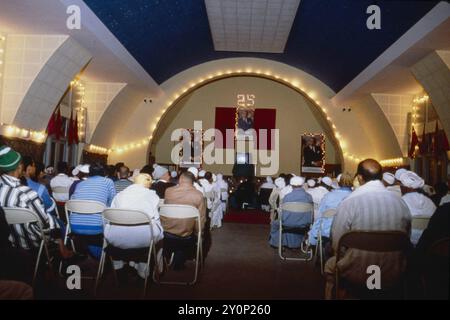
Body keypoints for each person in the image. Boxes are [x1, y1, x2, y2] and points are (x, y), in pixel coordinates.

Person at [324, 159, 411, 299]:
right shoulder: (401, 203)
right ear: (381, 177)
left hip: (356, 271)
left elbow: (337, 243)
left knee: (331, 264)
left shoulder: (349, 202)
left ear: (359, 178)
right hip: (393, 271)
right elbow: (406, 239)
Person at [0, 146, 71, 258]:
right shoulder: (27, 194)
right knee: (53, 222)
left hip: (7, 241)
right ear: (19, 167)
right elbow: (44, 223)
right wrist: (54, 223)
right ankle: (64, 252)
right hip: (31, 242)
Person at [104, 173, 164, 279]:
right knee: (159, 233)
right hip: (144, 240)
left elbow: (110, 217)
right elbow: (156, 219)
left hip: (116, 238)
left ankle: (118, 265)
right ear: (149, 184)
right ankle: (145, 269)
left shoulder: (119, 195)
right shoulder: (153, 196)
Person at [70, 162, 116, 258]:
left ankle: (91, 255)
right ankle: (105, 258)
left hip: (74, 226)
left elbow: (72, 202)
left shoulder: (80, 184)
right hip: (97, 227)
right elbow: (113, 203)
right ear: (103, 172)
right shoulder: (108, 182)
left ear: (89, 173)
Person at [162, 171, 206, 269]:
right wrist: (200, 236)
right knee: (188, 231)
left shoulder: (168, 191)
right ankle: (179, 259)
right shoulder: (199, 195)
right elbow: (201, 220)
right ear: (193, 182)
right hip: (186, 238)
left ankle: (168, 257)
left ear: (180, 179)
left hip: (165, 234)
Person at [307, 173, 353, 246]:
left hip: (327, 231)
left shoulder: (329, 196)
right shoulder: (356, 196)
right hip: (349, 232)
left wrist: (314, 232)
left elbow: (320, 216)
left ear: (338, 183)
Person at [269, 176, 313, 249]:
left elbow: (283, 216)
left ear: (291, 185)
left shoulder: (287, 197)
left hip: (288, 223)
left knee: (274, 224)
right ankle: (296, 243)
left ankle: (276, 244)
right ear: (302, 184)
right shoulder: (309, 197)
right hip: (305, 224)